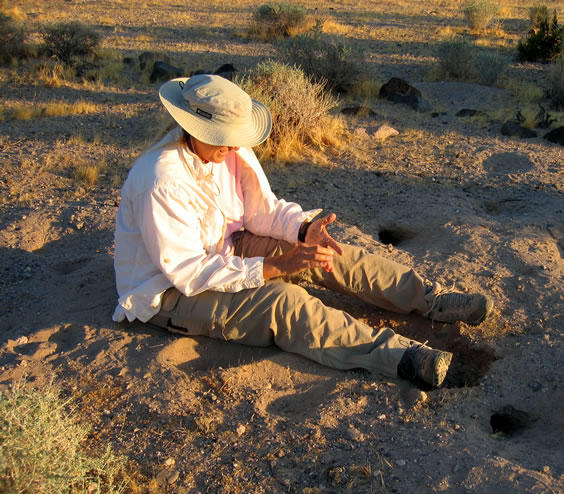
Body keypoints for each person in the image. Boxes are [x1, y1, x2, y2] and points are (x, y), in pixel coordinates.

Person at [113, 74, 493, 388]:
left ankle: (431, 299)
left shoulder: (228, 149)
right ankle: (401, 357)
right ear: (191, 126)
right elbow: (190, 272)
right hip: (169, 293)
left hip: (225, 246)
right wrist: (275, 267)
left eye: (232, 137)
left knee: (327, 255)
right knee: (284, 301)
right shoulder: (161, 180)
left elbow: (262, 210)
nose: (231, 146)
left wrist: (304, 230)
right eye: (222, 137)